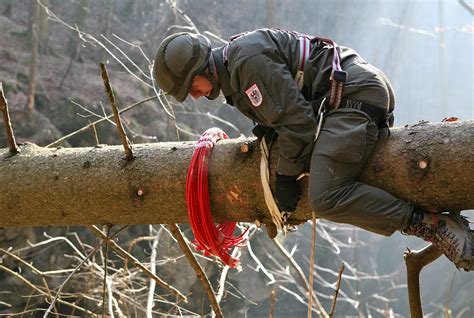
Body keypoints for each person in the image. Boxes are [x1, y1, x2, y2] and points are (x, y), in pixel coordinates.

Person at [152, 28, 473, 271]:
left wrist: (287, 179)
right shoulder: (236, 69)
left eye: (192, 87)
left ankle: (433, 225)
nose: (194, 96)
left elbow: (300, 124)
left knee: (326, 197)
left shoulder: (246, 63)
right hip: (344, 96)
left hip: (351, 96)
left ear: (204, 68)